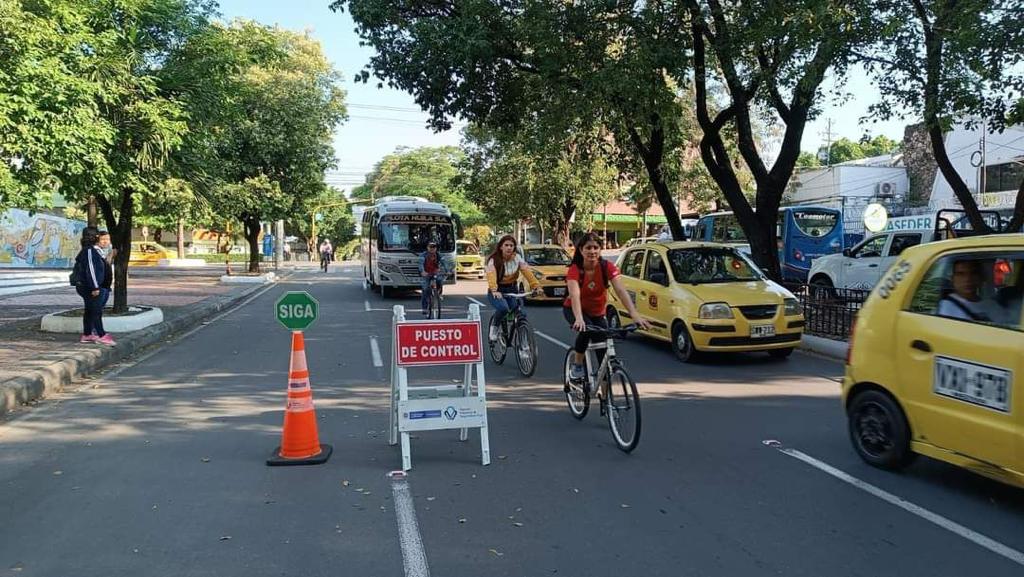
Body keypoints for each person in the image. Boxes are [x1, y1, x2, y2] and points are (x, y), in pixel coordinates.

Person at [563, 232, 649, 384]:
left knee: (604, 355)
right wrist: (579, 318)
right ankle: (577, 365)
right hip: (575, 310)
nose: (592, 251)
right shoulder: (575, 270)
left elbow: (621, 291)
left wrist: (634, 315)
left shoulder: (606, 267)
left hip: (597, 312)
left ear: (600, 250)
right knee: (585, 330)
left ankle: (606, 401)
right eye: (588, 248)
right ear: (581, 250)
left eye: (596, 247)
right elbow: (574, 295)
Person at [485, 235, 541, 340]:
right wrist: (494, 290)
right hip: (497, 290)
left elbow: (527, 273)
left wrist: (536, 286)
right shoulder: (494, 260)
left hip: (512, 289)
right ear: (501, 247)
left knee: (520, 313)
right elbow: (491, 276)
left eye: (511, 245)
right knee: (503, 308)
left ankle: (522, 340)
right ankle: (495, 328)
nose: (509, 248)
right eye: (506, 245)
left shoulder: (517, 258)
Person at [73, 227, 115, 346]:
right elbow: (91, 270)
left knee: (90, 309)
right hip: (90, 287)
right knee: (96, 310)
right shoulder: (90, 251)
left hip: (89, 286)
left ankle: (87, 334)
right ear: (94, 237)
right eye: (98, 236)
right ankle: (101, 335)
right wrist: (95, 287)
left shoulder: (89, 250)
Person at [937, 259, 1005, 323]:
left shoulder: (992, 306)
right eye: (960, 274)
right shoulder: (945, 308)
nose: (968, 279)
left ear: (981, 277)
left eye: (973, 273)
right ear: (952, 279)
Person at [420, 241, 451, 315]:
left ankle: (439, 293)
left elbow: (444, 263)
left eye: (434, 247)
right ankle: (424, 308)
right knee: (425, 289)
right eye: (430, 247)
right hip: (426, 273)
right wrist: (422, 271)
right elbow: (420, 264)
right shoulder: (423, 255)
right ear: (427, 247)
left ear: (436, 248)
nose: (432, 249)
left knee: (439, 280)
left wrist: (448, 270)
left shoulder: (439, 255)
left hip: (435, 273)